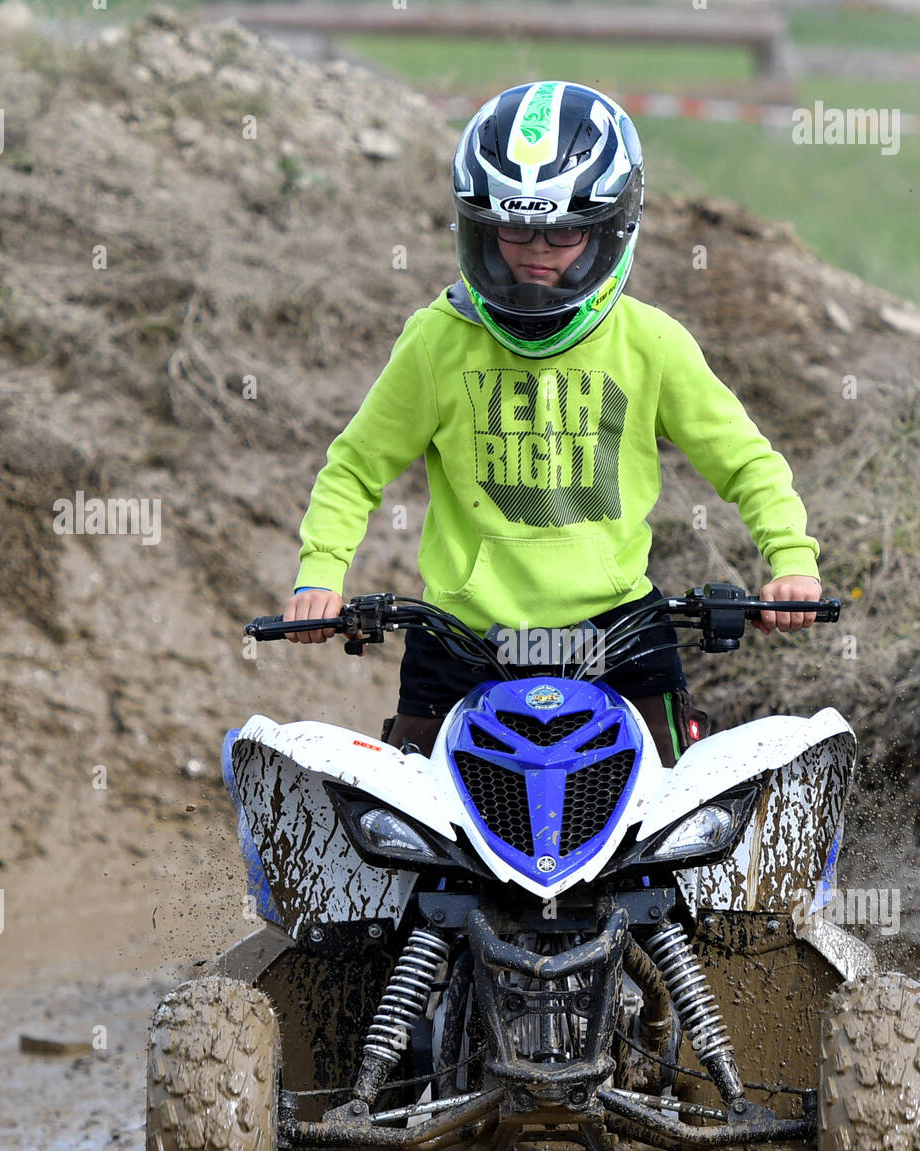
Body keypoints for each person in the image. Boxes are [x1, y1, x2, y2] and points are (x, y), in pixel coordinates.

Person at [283, 81, 821, 766]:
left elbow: (747, 462)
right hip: (460, 642)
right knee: (398, 828)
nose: (536, 251)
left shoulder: (650, 343)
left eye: (564, 231)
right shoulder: (434, 342)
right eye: (514, 228)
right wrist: (317, 579)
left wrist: (792, 563)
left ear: (608, 228)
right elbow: (356, 468)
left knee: (685, 822)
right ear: (479, 226)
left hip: (621, 636)